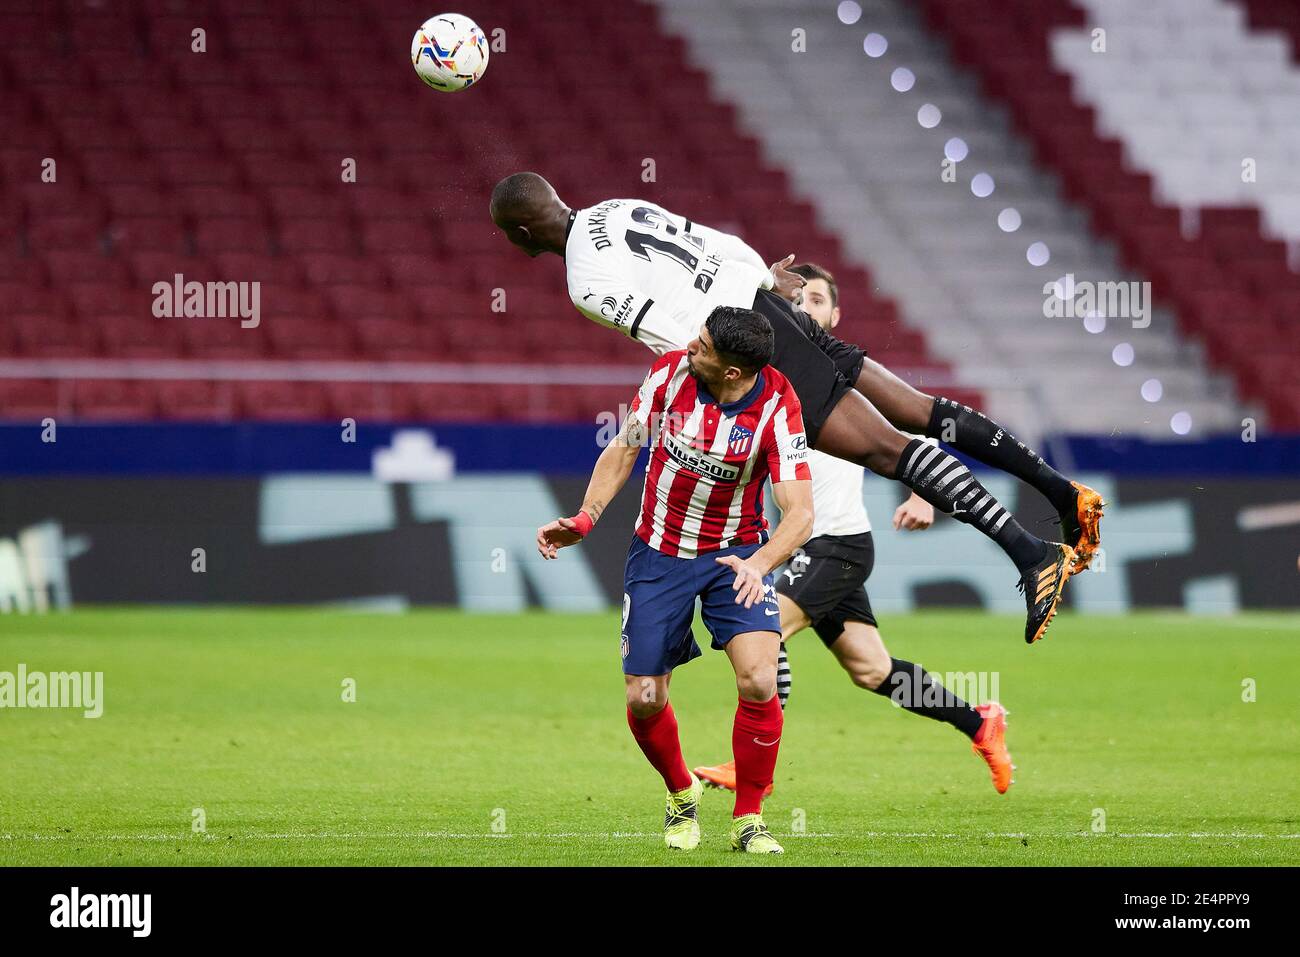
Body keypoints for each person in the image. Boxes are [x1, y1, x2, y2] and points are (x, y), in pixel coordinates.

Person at [491, 172, 1100, 645]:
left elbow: (678, 339)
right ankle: (1064, 495)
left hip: (757, 344)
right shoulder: (615, 208)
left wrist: (715, 386)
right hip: (767, 303)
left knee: (890, 450)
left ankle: (1032, 553)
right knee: (917, 410)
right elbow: (714, 241)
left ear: (521, 234)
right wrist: (764, 282)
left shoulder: (583, 282)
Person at [693, 264, 1013, 798]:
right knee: (872, 669)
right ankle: (980, 722)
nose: (808, 306)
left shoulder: (838, 378)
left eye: (818, 300)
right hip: (813, 548)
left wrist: (921, 493)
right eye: (801, 298)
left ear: (834, 315)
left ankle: (752, 770)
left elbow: (918, 427)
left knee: (764, 634)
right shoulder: (765, 379)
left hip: (834, 543)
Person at [536, 306, 814, 854]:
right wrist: (587, 516)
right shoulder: (669, 375)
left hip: (736, 556)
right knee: (643, 697)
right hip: (658, 553)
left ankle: (749, 817)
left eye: (705, 345)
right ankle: (681, 792)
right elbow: (625, 446)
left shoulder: (779, 404)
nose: (691, 345)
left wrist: (759, 565)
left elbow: (801, 513)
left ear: (733, 371)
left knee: (759, 679)